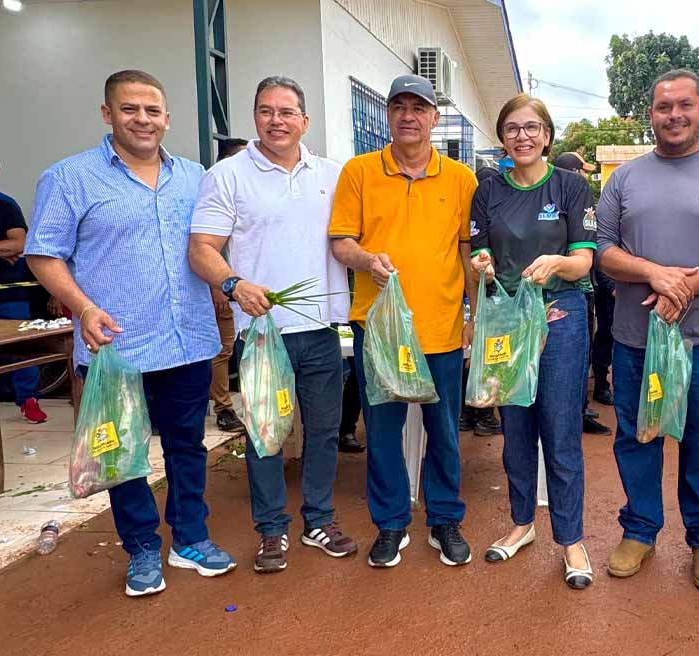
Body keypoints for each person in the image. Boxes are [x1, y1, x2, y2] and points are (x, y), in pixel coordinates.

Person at [25, 70, 235, 597]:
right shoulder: (71, 177)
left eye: (152, 110)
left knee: (188, 445)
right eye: (130, 109)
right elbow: (42, 252)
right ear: (107, 114)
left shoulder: (194, 176)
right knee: (120, 455)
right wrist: (82, 308)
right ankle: (142, 547)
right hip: (114, 349)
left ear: (167, 118)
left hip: (187, 341)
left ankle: (190, 538)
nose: (142, 119)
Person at [189, 76, 356, 573]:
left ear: (305, 120)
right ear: (255, 117)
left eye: (287, 112)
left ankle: (319, 520)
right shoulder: (228, 175)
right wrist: (233, 284)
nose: (277, 121)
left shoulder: (332, 174)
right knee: (265, 434)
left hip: (323, 330)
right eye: (266, 111)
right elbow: (202, 248)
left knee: (325, 431)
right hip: (261, 333)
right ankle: (271, 531)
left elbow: (349, 242)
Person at [597, 69, 699, 593]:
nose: (674, 115)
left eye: (685, 105)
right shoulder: (624, 178)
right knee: (637, 436)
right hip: (633, 340)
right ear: (651, 115)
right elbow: (605, 251)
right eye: (664, 107)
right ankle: (639, 530)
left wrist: (686, 286)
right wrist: (653, 274)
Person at [329, 74, 478, 568]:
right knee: (383, 430)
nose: (409, 116)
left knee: (444, 429)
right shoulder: (359, 171)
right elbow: (341, 243)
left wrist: (474, 315)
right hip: (380, 328)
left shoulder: (461, 179)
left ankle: (444, 520)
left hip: (440, 325)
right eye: (400, 107)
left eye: (420, 107)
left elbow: (466, 250)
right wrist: (367, 260)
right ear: (388, 115)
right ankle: (391, 524)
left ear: (435, 118)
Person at [471, 95, 596, 588]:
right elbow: (480, 251)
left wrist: (559, 263)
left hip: (560, 316)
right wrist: (480, 265)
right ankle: (522, 524)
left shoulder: (570, 186)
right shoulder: (488, 190)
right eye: (512, 128)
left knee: (561, 431)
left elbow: (584, 260)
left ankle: (572, 540)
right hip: (507, 323)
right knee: (515, 429)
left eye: (532, 127)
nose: (522, 136)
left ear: (547, 135)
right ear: (502, 137)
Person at [0, 148, 47, 423]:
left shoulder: (5, 206)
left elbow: (20, 244)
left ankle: (29, 400)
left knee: (24, 348)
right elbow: (7, 247)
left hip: (8, 290)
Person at [552, 151, 612, 433]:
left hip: (585, 289)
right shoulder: (559, 203)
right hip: (568, 293)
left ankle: (582, 406)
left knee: (585, 351)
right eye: (582, 171)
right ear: (573, 173)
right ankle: (578, 412)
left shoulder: (579, 203)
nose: (586, 176)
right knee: (575, 358)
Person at [459, 166, 504, 439]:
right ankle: (484, 414)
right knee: (486, 354)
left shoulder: (475, 211)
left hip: (471, 292)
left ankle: (469, 414)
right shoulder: (490, 210)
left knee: (474, 353)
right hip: (486, 294)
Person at [208, 137, 248, 434]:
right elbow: (206, 249)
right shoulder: (215, 191)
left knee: (227, 348)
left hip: (241, 292)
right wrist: (218, 287)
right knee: (223, 350)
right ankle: (223, 408)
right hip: (219, 289)